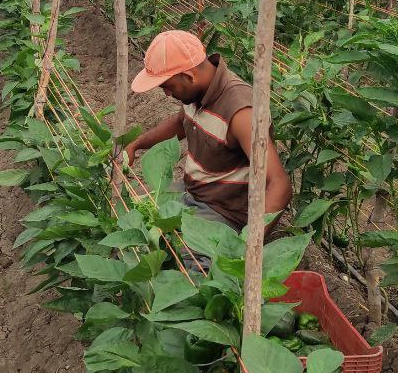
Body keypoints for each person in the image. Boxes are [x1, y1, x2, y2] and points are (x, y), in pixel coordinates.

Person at [124, 30, 292, 235]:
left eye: (167, 86)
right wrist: (136, 144)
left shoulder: (241, 112)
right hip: (192, 193)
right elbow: (179, 122)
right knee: (127, 211)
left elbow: (280, 184)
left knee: (185, 261)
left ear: (188, 76)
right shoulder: (196, 93)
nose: (167, 94)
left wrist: (247, 247)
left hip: (223, 212)